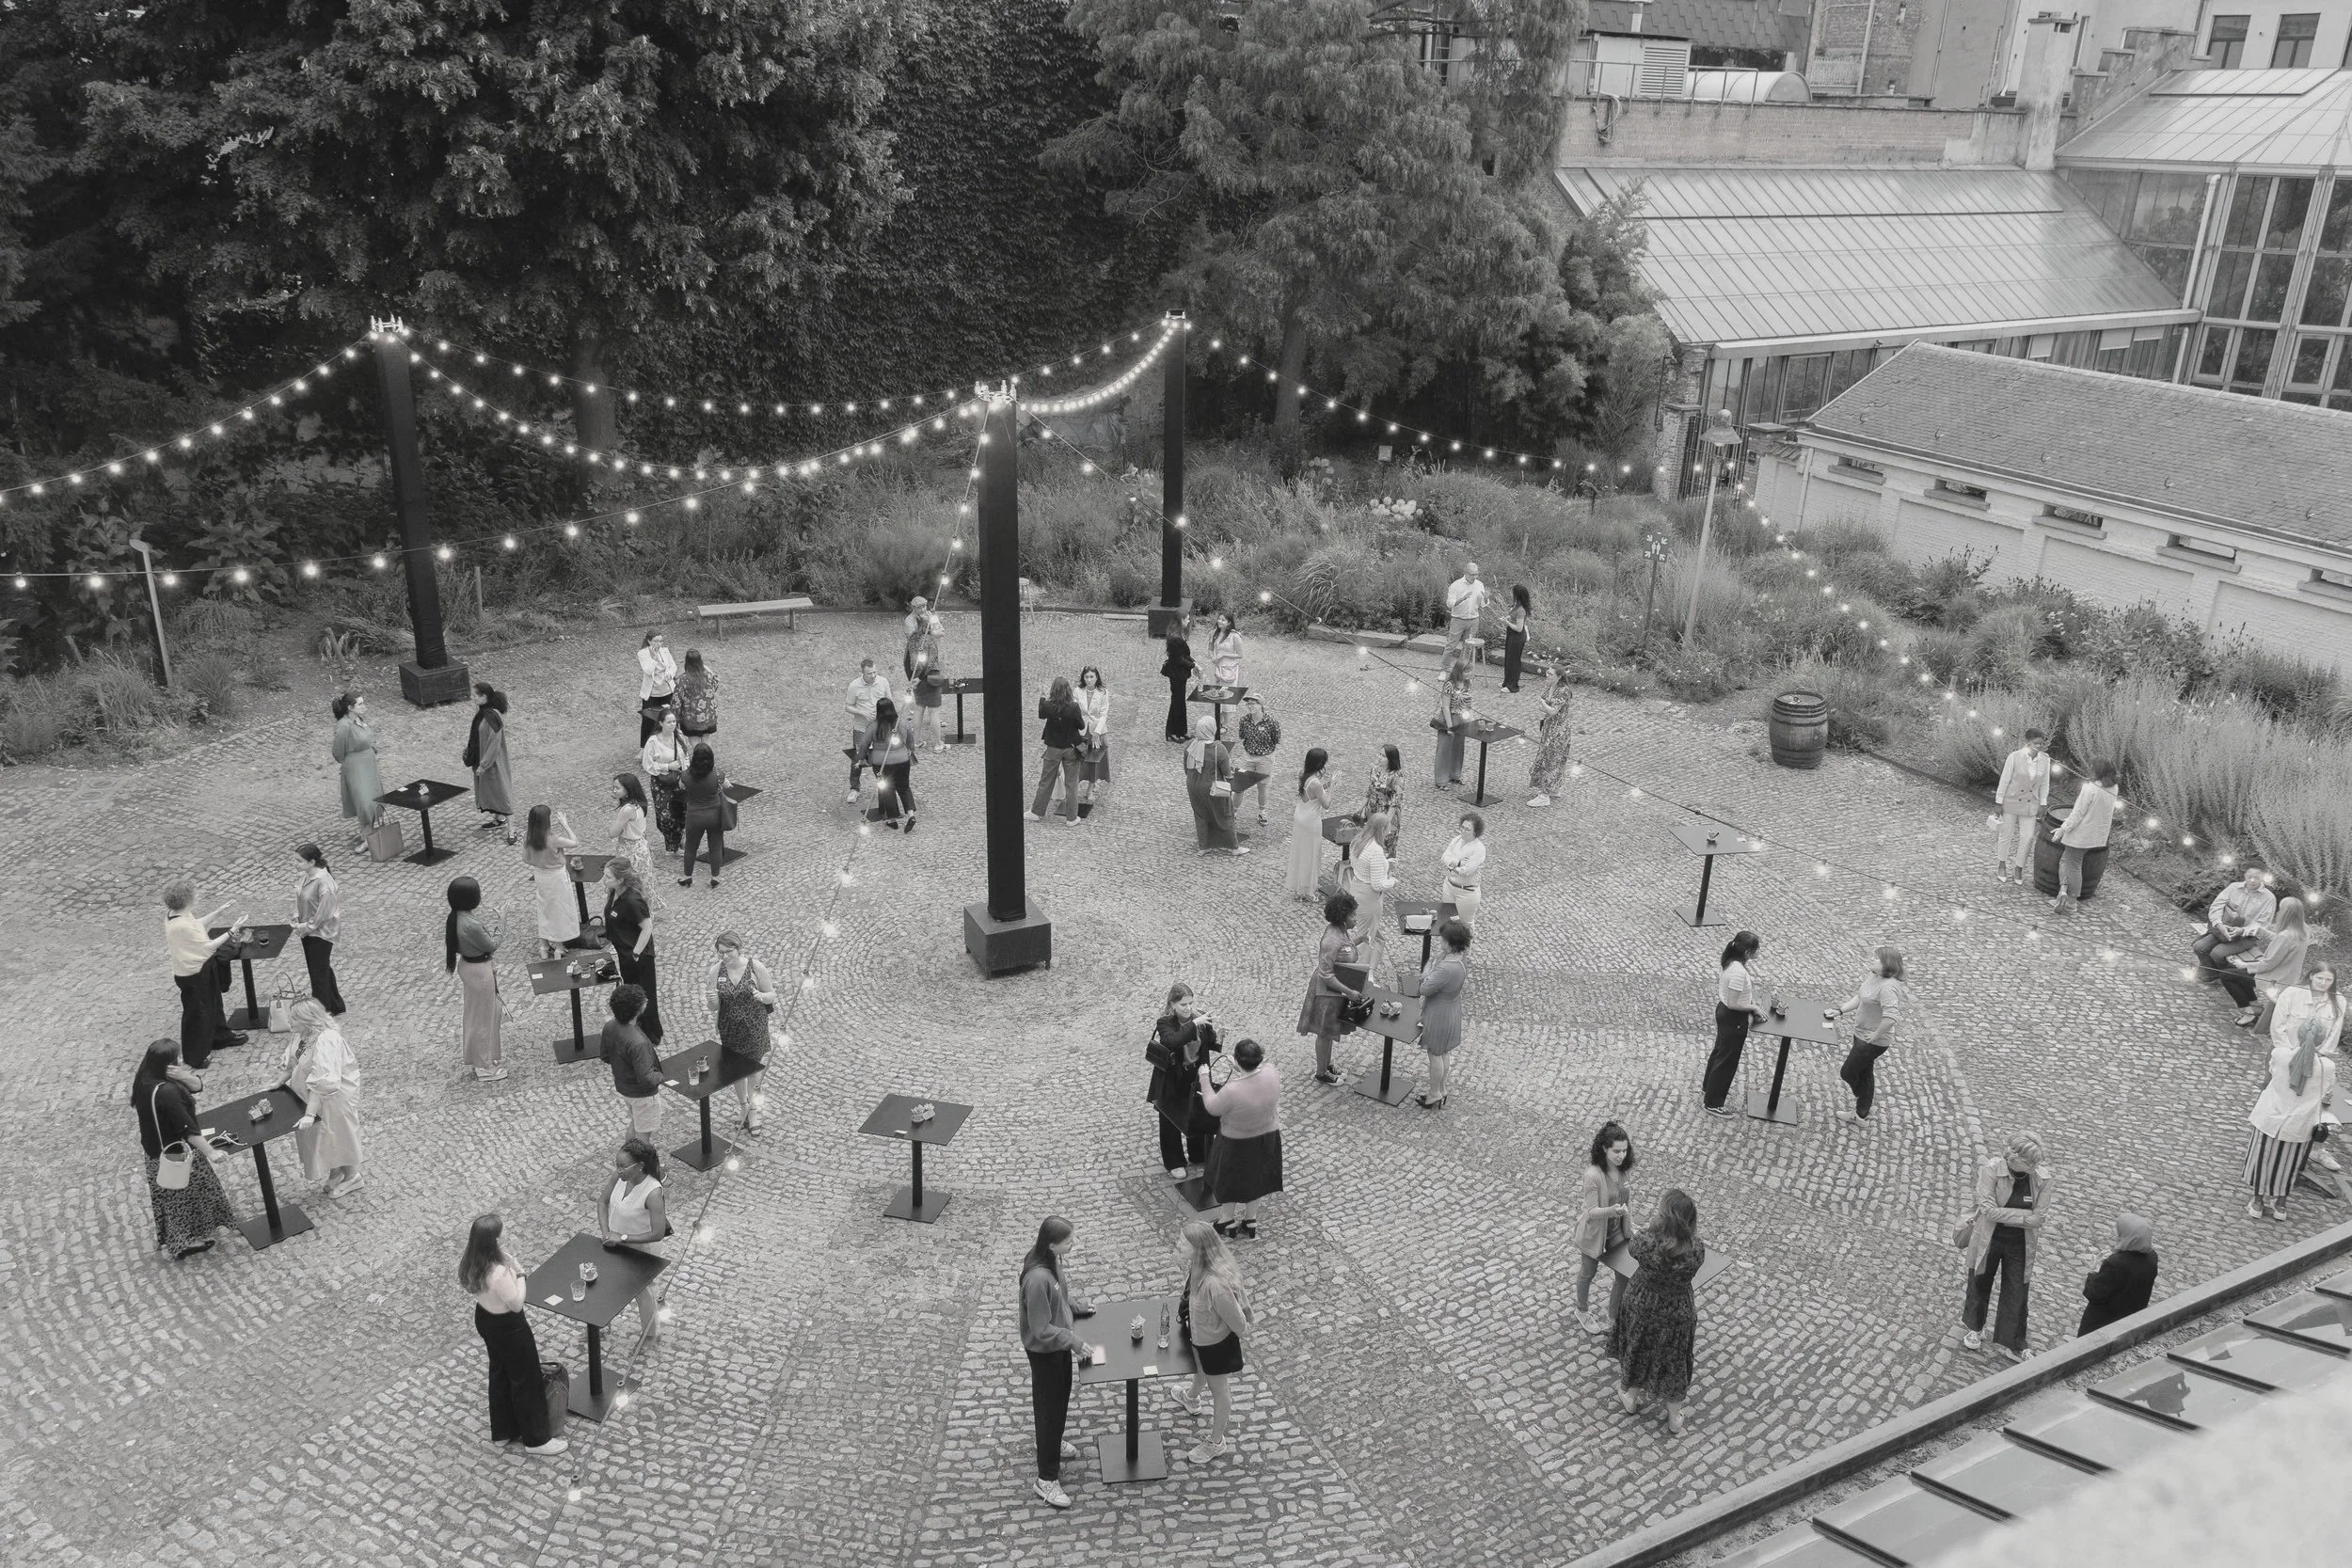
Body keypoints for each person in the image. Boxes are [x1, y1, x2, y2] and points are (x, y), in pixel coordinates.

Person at [459, 1214, 569, 1455]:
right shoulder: (498, 1273)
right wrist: (520, 1275)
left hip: (486, 1318)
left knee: (500, 1372)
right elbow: (517, 1303)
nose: (505, 1232)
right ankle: (537, 1440)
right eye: (502, 1231)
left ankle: (503, 1431)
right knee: (526, 1378)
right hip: (509, 1326)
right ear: (494, 1239)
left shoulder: (473, 1262)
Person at [1018, 1216, 1098, 1511]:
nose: (1073, 1243)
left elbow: (1059, 1297)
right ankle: (1046, 1479)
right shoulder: (1038, 1278)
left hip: (1056, 1347)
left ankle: (1050, 1444)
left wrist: (1073, 1307)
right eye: (1069, 1241)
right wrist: (1074, 1342)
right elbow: (1041, 1328)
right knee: (1051, 1409)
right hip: (1046, 1351)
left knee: (1057, 1402)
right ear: (1052, 1244)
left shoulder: (1051, 1260)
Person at [1612, 1190, 1704, 1435]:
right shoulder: (1696, 1250)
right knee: (1673, 1360)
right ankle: (1675, 1417)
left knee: (1640, 1348)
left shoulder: (1647, 1242)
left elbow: (1632, 1248)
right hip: (1677, 1310)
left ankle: (1630, 1398)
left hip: (1643, 1304)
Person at [133, 1039, 235, 1259]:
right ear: (167, 1064)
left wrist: (182, 1075)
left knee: (174, 1197)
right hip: (175, 1154)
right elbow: (187, 1129)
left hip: (156, 1153)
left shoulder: (145, 1079)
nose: (180, 1061)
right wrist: (211, 1152)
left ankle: (184, 1237)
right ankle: (183, 1242)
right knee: (182, 1198)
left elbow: (197, 1086)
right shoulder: (167, 1093)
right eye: (176, 1059)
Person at [2245, 996, 2338, 1221]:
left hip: (2271, 1117)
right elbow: (2325, 1090)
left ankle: (2258, 1202)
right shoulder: (2327, 1066)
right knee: (2288, 1165)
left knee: (2263, 1159)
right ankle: (2281, 1206)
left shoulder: (2281, 1055)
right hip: (2300, 1124)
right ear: (2321, 1041)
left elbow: (2272, 1074)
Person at [1961, 1132, 2050, 1361]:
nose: (2035, 1166)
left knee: (2018, 1290)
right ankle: (1975, 1326)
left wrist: (2005, 1215)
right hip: (1988, 1238)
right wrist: (2024, 1216)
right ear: (2013, 1158)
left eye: (2036, 1162)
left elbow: (2039, 1219)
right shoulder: (1992, 1170)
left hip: (2020, 1243)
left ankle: (2015, 1343)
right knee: (1980, 1280)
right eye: (2030, 1162)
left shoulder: (2041, 1178)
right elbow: (1988, 1211)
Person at [1169, 1219, 1252, 1464]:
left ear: (1198, 1249)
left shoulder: (1216, 1286)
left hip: (1215, 1345)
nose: (1178, 1245)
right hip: (1200, 1336)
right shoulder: (1197, 1268)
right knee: (1200, 1367)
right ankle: (1192, 1397)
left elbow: (1239, 1325)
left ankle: (1216, 1442)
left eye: (1183, 1242)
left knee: (1220, 1390)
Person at [1199, 1038, 1281, 1239]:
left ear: (1236, 1060)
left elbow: (1212, 1106)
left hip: (1235, 1142)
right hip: (1267, 1136)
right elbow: (1262, 1068)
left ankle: (1227, 1218)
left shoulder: (1232, 1090)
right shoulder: (1272, 1073)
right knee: (1256, 1177)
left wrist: (1204, 1077)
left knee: (1229, 1180)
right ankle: (1250, 1218)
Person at [2269, 964, 2347, 1171]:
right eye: (2320, 978)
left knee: (2315, 1106)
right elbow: (2278, 1026)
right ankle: (2270, 1137)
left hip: (2317, 1059)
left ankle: (2314, 1149)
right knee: (2277, 1097)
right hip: (2287, 1054)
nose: (2323, 983)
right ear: (2311, 977)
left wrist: (2318, 1056)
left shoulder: (2338, 1001)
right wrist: (2289, 1054)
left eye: (2328, 980)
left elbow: (2333, 1034)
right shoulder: (2292, 993)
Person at [283, 998, 363, 1197]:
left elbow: (323, 1080)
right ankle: (336, 1172)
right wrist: (279, 1081)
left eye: (294, 1018)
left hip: (334, 1099)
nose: (289, 1022)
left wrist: (309, 1114)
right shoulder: (302, 1035)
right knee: (326, 1137)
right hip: (314, 1098)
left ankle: (352, 1177)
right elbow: (294, 1061)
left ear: (308, 1019)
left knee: (339, 1134)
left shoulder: (327, 1040)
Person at [164, 881, 246, 1069]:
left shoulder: (177, 915)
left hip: (200, 966)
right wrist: (232, 931)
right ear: (186, 900)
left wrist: (218, 912)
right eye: (194, 895)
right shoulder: (182, 925)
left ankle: (220, 1036)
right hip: (193, 972)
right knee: (197, 1014)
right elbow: (207, 946)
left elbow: (197, 925)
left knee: (213, 1003)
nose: (197, 897)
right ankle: (195, 1056)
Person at [597, 1138, 669, 1342]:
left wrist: (623, 1238)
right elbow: (602, 1202)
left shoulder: (653, 1192)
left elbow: (658, 1232)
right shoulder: (618, 1178)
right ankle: (601, 1325)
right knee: (608, 1282)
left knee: (643, 1291)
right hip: (615, 1241)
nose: (618, 1170)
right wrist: (606, 1233)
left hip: (643, 1247)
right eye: (616, 1165)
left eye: (623, 1166)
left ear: (640, 1166)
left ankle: (650, 1333)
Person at [1826, 945, 1908, 1124]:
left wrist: (1875, 1035)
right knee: (1865, 1072)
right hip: (1861, 1034)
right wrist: (1840, 1011)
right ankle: (1862, 1113)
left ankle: (1862, 1100)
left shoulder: (1888, 988)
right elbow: (1860, 997)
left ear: (1887, 964)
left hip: (1872, 1041)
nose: (1873, 959)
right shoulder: (1874, 976)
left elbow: (1891, 1017)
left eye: (1877, 958)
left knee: (1848, 1072)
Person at [1149, 985, 1222, 1180]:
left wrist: (1218, 1033)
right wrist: (1194, 1024)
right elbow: (1172, 1041)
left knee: (1198, 1113)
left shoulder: (1199, 1018)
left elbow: (1210, 1043)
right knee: (1170, 1119)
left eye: (1190, 1003)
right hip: (1173, 1077)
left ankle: (1198, 1154)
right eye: (1183, 1004)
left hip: (1196, 1073)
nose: (1188, 1008)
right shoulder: (1165, 1022)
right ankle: (1174, 1161)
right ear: (1172, 1004)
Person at [710, 931, 780, 1131]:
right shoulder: (715, 971)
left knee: (753, 1071)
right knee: (736, 1072)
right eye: (720, 952)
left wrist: (761, 996)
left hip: (754, 1028)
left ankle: (753, 1112)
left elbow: (772, 995)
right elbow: (713, 1007)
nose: (724, 956)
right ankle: (743, 1108)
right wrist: (712, 1001)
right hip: (729, 1029)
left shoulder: (755, 967)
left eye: (728, 952)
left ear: (738, 949)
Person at [1575, 1122, 1634, 1336]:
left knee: (1624, 1274)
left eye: (1624, 1150)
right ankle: (1582, 1310)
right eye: (1616, 1151)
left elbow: (1626, 1199)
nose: (1621, 1156)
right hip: (1595, 1232)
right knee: (1588, 1272)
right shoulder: (1592, 1175)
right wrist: (1613, 1211)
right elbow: (1591, 1211)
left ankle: (1613, 1317)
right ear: (1604, 1149)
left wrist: (1626, 1221)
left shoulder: (1622, 1171)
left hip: (1616, 1229)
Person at [1297, 892, 1364, 1085]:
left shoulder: (1341, 930)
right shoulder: (1331, 940)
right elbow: (1326, 975)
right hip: (1326, 993)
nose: (1355, 918)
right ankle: (1321, 1072)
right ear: (1343, 917)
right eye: (1352, 915)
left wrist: (1360, 939)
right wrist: (1349, 992)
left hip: (1336, 990)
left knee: (1329, 1031)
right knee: (1324, 1032)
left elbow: (1346, 948)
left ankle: (1326, 1064)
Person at [1701, 931, 1767, 1117]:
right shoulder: (1738, 972)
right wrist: (1753, 1008)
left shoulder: (1731, 963)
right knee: (1727, 1061)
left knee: (1719, 1052)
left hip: (1725, 1013)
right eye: (1757, 949)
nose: (1759, 951)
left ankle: (1709, 1087)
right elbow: (1734, 1003)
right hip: (1733, 1018)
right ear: (1747, 952)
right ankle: (1713, 1103)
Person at [445, 876, 505, 1080]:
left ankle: (479, 1058)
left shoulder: (457, 918)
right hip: (479, 972)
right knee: (484, 1019)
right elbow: (492, 944)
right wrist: (502, 920)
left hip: (469, 967)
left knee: (475, 1015)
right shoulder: (471, 924)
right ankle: (485, 1066)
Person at [2223, 895, 2309, 1029]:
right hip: (2287, 976)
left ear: (2286, 914)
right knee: (2234, 971)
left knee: (2227, 975)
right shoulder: (2303, 931)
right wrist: (2262, 931)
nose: (2278, 913)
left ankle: (2248, 1012)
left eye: (2280, 910)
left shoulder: (2286, 936)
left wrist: (2243, 964)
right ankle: (2255, 1006)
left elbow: (2268, 964)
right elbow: (2280, 943)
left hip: (2275, 979)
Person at [601, 856, 661, 1044]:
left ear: (620, 880)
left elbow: (647, 927)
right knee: (632, 991)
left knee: (644, 994)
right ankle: (636, 1026)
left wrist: (636, 952)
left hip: (637, 956)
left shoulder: (633, 900)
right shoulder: (615, 893)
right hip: (624, 952)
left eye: (608, 877)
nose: (604, 880)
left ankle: (651, 1034)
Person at [1412, 918, 1470, 1110]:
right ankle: (1441, 1088)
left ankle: (1434, 1093)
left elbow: (1424, 989)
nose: (1440, 941)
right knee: (1443, 1052)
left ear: (1450, 942)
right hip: (1451, 1009)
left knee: (1435, 1054)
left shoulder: (1446, 968)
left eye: (1443, 939)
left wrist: (1427, 970)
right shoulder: (1461, 958)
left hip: (1438, 1013)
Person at [2047, 762, 2120, 912]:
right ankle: (2063, 892)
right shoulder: (2113, 788)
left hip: (2082, 833)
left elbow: (2077, 813)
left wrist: (2063, 829)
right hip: (2097, 834)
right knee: (2068, 860)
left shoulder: (2090, 789)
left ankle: (2071, 901)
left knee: (2072, 863)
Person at [2076, 1214, 2158, 1336]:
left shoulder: (2115, 1264)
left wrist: (2094, 1270)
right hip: (2129, 1322)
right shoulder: (2151, 1258)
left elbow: (2093, 1293)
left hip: (2101, 1325)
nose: (2115, 1234)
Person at [291, 843, 346, 1016]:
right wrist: (296, 916)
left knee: (318, 973)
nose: (295, 864)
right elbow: (301, 896)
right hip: (308, 929)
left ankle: (321, 1012)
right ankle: (335, 1004)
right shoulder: (306, 876)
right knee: (322, 968)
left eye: (299, 861)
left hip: (320, 932)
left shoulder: (323, 881)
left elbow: (325, 912)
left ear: (312, 862)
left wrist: (305, 927)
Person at [600, 983, 662, 1135]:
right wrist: (661, 1075)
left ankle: (629, 1155)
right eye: (643, 1001)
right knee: (643, 1134)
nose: (646, 1000)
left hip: (625, 1088)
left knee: (635, 1123)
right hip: (642, 1096)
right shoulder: (638, 1042)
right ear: (637, 1009)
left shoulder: (610, 1026)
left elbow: (605, 1056)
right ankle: (639, 1159)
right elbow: (647, 1080)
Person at [2195, 864, 2277, 980]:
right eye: (2249, 876)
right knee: (2199, 946)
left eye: (2257, 877)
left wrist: (2242, 930)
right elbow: (2216, 906)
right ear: (2245, 875)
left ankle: (2228, 975)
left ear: (2263, 877)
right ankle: (2212, 973)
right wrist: (2219, 924)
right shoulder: (2233, 887)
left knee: (2217, 953)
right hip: (2223, 930)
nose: (2252, 880)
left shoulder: (2269, 898)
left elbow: (2263, 923)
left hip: (2247, 937)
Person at [1991, 729, 2051, 882]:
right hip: (2011, 801)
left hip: (2030, 803)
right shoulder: (2015, 757)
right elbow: (2004, 780)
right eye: (2035, 743)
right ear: (2028, 742)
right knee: (2006, 834)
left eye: (2041, 743)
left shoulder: (2045, 760)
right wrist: (1998, 802)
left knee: (2028, 837)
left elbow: (2044, 783)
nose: (2038, 746)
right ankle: (2002, 864)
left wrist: (2043, 803)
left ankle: (2019, 868)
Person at [520, 804, 580, 958]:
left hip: (541, 876)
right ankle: (559, 947)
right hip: (556, 876)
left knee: (544, 909)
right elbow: (575, 842)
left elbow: (526, 859)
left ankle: (543, 946)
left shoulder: (528, 837)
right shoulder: (553, 840)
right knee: (558, 910)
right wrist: (565, 824)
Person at [1341, 812, 1395, 979]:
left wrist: (1386, 864)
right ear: (1382, 829)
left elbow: (1363, 866)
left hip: (1356, 889)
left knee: (1369, 933)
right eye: (1387, 829)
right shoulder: (1376, 850)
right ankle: (1360, 974)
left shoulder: (1358, 840)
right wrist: (1393, 881)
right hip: (1370, 897)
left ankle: (1365, 971)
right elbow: (1378, 884)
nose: (1389, 832)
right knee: (1367, 936)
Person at [1184, 715, 1248, 854]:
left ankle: (1204, 847)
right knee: (1225, 815)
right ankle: (1234, 847)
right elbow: (1227, 773)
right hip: (1213, 788)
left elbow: (1186, 768)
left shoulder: (1191, 745)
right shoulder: (1219, 748)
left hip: (1193, 786)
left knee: (1200, 816)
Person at [331, 692, 385, 848]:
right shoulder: (344, 725)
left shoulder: (360, 720)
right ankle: (367, 837)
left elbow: (366, 738)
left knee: (374, 798)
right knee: (364, 802)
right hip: (356, 766)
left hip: (368, 763)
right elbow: (338, 751)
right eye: (360, 704)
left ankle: (369, 832)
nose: (364, 706)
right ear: (350, 708)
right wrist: (350, 761)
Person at [1028, 675, 1085, 824]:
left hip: (1053, 748)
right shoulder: (1073, 707)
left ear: (1053, 690)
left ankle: (1037, 812)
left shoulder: (1048, 706)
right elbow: (1081, 726)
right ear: (1068, 691)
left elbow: (1041, 714)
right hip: (1071, 748)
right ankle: (1072, 818)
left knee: (1046, 780)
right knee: (1071, 783)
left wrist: (1042, 698)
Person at [463, 682, 515, 839]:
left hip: (493, 764)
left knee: (502, 794)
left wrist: (484, 765)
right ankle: (500, 819)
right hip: (484, 762)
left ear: (484, 697)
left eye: (475, 695)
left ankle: (511, 831)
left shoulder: (491, 717)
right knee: (491, 792)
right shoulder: (483, 714)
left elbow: (494, 745)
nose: (472, 698)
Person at [862, 698, 919, 832]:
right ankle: (911, 814)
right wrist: (910, 750)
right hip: (902, 760)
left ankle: (892, 819)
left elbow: (864, 744)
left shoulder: (873, 726)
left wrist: (861, 759)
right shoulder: (903, 723)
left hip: (881, 762)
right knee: (904, 786)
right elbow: (911, 740)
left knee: (887, 789)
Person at [678, 742, 732, 883]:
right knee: (715, 846)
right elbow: (728, 785)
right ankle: (715, 877)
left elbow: (681, 786)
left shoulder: (686, 775)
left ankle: (687, 876)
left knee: (691, 847)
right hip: (714, 814)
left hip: (694, 815)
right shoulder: (717, 773)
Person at [1286, 748, 1335, 901]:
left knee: (1301, 851)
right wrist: (1332, 786)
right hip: (1311, 821)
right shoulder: (1316, 783)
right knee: (1311, 853)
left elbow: (1313, 791)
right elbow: (1326, 804)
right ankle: (1307, 891)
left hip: (1301, 815)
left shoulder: (1303, 774)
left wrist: (1326, 784)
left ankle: (1300, 887)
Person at [641, 707, 691, 854]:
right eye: (669, 722)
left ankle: (679, 843)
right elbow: (648, 765)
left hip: (680, 780)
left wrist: (684, 768)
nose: (673, 724)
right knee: (665, 816)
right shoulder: (653, 741)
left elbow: (686, 755)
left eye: (674, 721)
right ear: (661, 723)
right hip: (661, 783)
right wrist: (667, 766)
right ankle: (671, 841)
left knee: (681, 811)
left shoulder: (679, 736)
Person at [845, 657, 893, 802]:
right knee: (858, 756)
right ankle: (854, 788)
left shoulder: (883, 682)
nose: (873, 676)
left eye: (874, 672)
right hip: (861, 728)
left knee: (883, 756)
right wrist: (862, 713)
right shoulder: (854, 686)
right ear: (862, 673)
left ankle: (885, 786)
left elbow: (889, 701)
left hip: (880, 727)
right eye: (869, 674)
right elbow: (848, 706)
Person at [1525, 668, 1572, 807]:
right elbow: (1544, 708)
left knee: (1552, 759)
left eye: (1550, 674)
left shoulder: (1563, 691)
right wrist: (1544, 705)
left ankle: (1545, 794)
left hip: (1558, 731)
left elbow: (1552, 710)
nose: (1547, 675)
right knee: (1548, 756)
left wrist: (1543, 703)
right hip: (1549, 728)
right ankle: (1553, 788)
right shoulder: (1550, 686)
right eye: (1547, 673)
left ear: (1559, 677)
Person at [1235, 694, 1281, 826]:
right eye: (1248, 704)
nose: (1250, 706)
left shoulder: (1271, 722)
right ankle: (1233, 813)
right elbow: (1242, 736)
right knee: (1239, 786)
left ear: (1261, 705)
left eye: (1253, 703)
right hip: (1248, 756)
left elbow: (1276, 739)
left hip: (1265, 758)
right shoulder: (1244, 720)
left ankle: (1262, 812)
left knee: (1263, 786)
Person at [1430, 651, 1473, 789]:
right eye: (1466, 672)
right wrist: (1449, 727)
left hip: (1461, 718)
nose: (1468, 674)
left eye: (1469, 671)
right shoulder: (1449, 684)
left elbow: (1468, 703)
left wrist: (1469, 719)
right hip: (1449, 719)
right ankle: (1441, 780)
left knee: (1458, 748)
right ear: (1459, 671)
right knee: (1444, 749)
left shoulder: (1468, 683)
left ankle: (1455, 775)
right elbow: (1446, 707)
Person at [1440, 811, 1486, 931]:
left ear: (1475, 832)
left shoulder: (1479, 848)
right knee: (1449, 920)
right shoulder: (1457, 840)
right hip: (1449, 886)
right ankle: (1449, 948)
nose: (1463, 831)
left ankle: (1466, 950)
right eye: (1462, 827)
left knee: (1466, 925)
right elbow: (1444, 857)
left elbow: (1467, 871)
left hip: (1466, 892)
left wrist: (1455, 864)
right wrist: (1457, 864)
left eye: (1467, 829)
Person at [1075, 665, 1112, 810]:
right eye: (1086, 677)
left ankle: (1090, 789)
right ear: (1083, 678)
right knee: (1078, 759)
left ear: (1096, 678)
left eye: (1092, 677)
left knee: (1095, 761)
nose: (1089, 680)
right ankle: (1075, 786)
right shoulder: (1078, 691)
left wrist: (1097, 731)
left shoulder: (1103, 692)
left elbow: (1104, 714)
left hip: (1098, 731)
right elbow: (1074, 710)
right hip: (1082, 729)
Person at [612, 773, 656, 889]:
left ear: (628, 789)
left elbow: (613, 833)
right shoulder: (638, 804)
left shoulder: (627, 810)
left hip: (629, 850)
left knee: (628, 885)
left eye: (617, 788)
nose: (614, 791)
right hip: (641, 846)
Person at [637, 629, 678, 744]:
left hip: (667, 690)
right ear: (649, 641)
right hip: (652, 692)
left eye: (661, 641)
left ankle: (672, 743)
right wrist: (654, 658)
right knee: (648, 720)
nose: (659, 644)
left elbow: (673, 666)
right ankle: (645, 747)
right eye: (656, 641)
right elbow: (648, 671)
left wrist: (670, 673)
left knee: (670, 718)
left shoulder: (665, 651)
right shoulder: (643, 653)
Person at [1362, 743, 1404, 855]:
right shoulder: (1375, 770)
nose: (1379, 758)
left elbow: (1395, 802)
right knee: (1369, 844)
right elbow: (1370, 790)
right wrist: (1361, 807)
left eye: (1383, 756)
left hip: (1386, 813)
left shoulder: (1397, 777)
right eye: (1380, 754)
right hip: (1372, 812)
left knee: (1385, 845)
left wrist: (1386, 821)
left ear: (1391, 759)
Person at [909, 631, 946, 752]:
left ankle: (917, 741)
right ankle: (938, 744)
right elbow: (931, 662)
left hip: (916, 677)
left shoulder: (912, 639)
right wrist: (920, 678)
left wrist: (913, 677)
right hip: (929, 678)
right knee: (934, 711)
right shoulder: (929, 640)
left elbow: (906, 659)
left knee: (919, 710)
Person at [674, 647, 720, 743]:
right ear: (701, 661)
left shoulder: (682, 680)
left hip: (691, 718)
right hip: (708, 715)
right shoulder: (709, 676)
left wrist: (675, 717)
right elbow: (715, 684)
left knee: (695, 741)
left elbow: (676, 701)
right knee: (706, 739)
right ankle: (708, 757)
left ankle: (698, 758)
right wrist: (707, 669)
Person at [1161, 616, 1196, 741]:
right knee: (1176, 702)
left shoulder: (1180, 635)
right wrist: (1193, 665)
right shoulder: (1175, 638)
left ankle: (1182, 730)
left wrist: (1194, 662)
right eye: (1186, 619)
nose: (1188, 621)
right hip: (1176, 674)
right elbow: (1178, 659)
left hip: (1180, 674)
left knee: (1180, 702)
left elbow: (1185, 655)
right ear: (1180, 621)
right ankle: (1172, 731)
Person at [1444, 561, 1487, 654]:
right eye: (1472, 575)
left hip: (1473, 620)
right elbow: (1449, 603)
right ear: (1466, 573)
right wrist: (1462, 599)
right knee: (1451, 645)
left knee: (1468, 647)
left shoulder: (1480, 584)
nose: (1475, 577)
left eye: (1476, 574)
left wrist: (1486, 598)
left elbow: (1482, 604)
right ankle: (1444, 667)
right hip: (1458, 619)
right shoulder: (1456, 585)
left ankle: (1463, 667)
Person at [903, 595, 944, 680]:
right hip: (915, 651)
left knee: (932, 672)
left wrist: (930, 631)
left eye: (924, 606)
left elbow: (941, 633)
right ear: (913, 608)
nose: (923, 610)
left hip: (930, 648)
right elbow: (912, 639)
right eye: (919, 608)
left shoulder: (930, 615)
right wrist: (923, 626)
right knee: (917, 671)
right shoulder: (909, 620)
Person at [1500, 585, 1531, 692]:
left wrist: (1506, 622)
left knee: (1514, 661)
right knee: (1508, 659)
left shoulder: (1521, 609)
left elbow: (1519, 628)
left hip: (1517, 636)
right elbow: (1513, 616)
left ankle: (1513, 686)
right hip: (1511, 635)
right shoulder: (1516, 605)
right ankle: (1507, 682)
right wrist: (1507, 618)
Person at [1208, 612, 1242, 687]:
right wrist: (1212, 657)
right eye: (1219, 619)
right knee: (1214, 692)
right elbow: (1210, 649)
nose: (1220, 621)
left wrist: (1224, 654)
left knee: (1228, 692)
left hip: (1229, 669)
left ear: (1229, 623)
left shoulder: (1234, 636)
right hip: (1216, 667)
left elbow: (1240, 655)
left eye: (1223, 620)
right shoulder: (1213, 633)